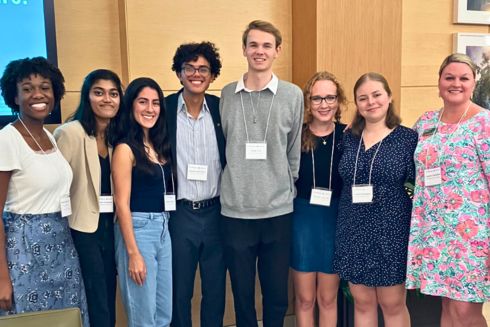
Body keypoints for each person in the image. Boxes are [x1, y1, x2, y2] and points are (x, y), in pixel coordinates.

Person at [219, 20, 304, 327]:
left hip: (277, 210)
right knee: (241, 293)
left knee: (276, 293)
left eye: (267, 45)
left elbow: (293, 150)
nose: (259, 51)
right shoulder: (227, 95)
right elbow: (223, 147)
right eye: (253, 45)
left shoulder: (293, 95)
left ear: (277, 51)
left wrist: (283, 183)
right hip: (235, 211)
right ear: (244, 49)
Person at [0, 57, 88, 326]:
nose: (37, 95)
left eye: (45, 87)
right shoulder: (7, 139)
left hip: (61, 247)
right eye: (27, 88)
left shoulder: (48, 136)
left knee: (67, 319)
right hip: (23, 253)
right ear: (14, 96)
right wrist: (2, 278)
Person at [406, 53, 490, 327]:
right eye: (449, 77)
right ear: (439, 81)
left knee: (466, 312)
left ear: (473, 82)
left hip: (471, 234)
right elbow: (398, 151)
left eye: (463, 78)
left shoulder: (484, 123)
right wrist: (357, 130)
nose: (456, 83)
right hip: (432, 231)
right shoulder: (426, 122)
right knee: (447, 307)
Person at [333, 72, 417, 327]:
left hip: (391, 232)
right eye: (363, 98)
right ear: (357, 105)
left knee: (392, 304)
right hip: (353, 229)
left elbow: (417, 185)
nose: (371, 102)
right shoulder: (347, 138)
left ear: (389, 97)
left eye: (377, 95)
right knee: (362, 302)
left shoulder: (408, 139)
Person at [54, 69, 123, 327]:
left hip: (110, 227)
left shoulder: (117, 137)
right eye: (99, 92)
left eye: (113, 94)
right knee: (95, 298)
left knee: (107, 292)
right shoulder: (70, 133)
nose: (107, 99)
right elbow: (56, 185)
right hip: (83, 229)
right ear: (87, 97)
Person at [165, 42, 226, 327]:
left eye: (203, 69)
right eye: (189, 68)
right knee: (180, 290)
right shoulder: (163, 110)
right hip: (180, 214)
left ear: (212, 75)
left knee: (214, 291)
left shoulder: (221, 108)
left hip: (217, 213)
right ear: (179, 73)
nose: (196, 74)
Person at [112, 77, 173, 327]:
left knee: (163, 313)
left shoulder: (157, 145)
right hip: (138, 231)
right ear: (131, 105)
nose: (150, 109)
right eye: (143, 102)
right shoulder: (125, 149)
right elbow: (121, 204)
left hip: (163, 228)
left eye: (156, 103)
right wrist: (133, 252)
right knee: (143, 317)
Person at [291, 71, 346, 327]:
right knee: (304, 299)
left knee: (327, 298)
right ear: (308, 103)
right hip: (302, 220)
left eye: (330, 98)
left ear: (339, 101)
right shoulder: (295, 136)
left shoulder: (349, 136)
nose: (324, 105)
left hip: (335, 219)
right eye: (317, 99)